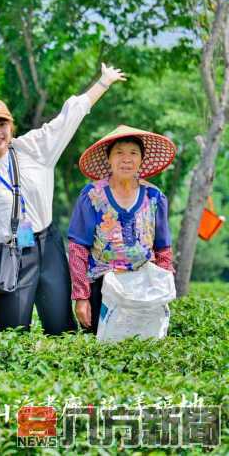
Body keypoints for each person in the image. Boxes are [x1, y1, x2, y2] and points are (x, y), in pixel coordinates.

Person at [0, 63, 127, 335]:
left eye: (2, 124)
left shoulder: (35, 148)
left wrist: (103, 82)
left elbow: (70, 116)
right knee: (11, 333)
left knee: (61, 327)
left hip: (48, 246)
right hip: (11, 254)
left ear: (11, 125)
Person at [68, 125, 177, 333]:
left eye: (133, 153)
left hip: (144, 285)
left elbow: (163, 250)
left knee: (143, 350)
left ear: (141, 160)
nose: (126, 159)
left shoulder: (154, 197)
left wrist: (163, 290)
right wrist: (81, 297)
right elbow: (77, 247)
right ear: (108, 159)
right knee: (101, 350)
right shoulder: (93, 195)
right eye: (119, 152)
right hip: (102, 285)